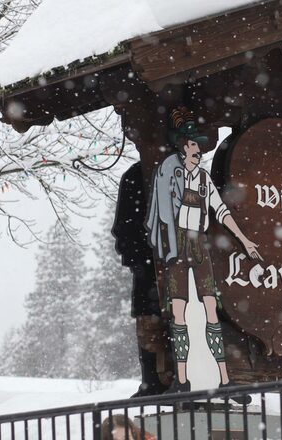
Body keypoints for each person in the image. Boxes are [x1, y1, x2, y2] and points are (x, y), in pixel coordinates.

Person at [146, 107, 261, 397]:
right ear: (183, 149)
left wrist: (244, 240)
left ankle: (223, 377)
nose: (198, 152)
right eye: (194, 147)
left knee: (211, 308)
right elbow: (163, 214)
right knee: (179, 312)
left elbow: (221, 210)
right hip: (179, 245)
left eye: (198, 147)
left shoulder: (204, 179)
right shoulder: (170, 174)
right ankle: (183, 379)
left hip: (199, 245)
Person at [112, 162, 171, 397]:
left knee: (159, 323)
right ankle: (154, 380)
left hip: (168, 270)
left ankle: (158, 380)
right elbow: (124, 230)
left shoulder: (188, 174)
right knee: (151, 326)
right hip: (152, 273)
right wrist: (142, 260)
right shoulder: (139, 175)